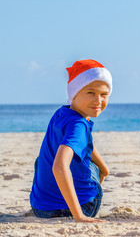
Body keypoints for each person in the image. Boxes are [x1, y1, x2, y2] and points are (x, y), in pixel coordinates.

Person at [30, 59, 112, 222]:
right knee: (75, 163)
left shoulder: (61, 113)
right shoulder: (80, 124)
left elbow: (81, 141)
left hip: (41, 208)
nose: (98, 101)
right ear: (74, 93)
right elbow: (60, 167)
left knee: (42, 159)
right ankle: (77, 208)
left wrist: (104, 168)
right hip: (81, 207)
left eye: (104, 95)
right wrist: (79, 216)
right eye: (90, 93)